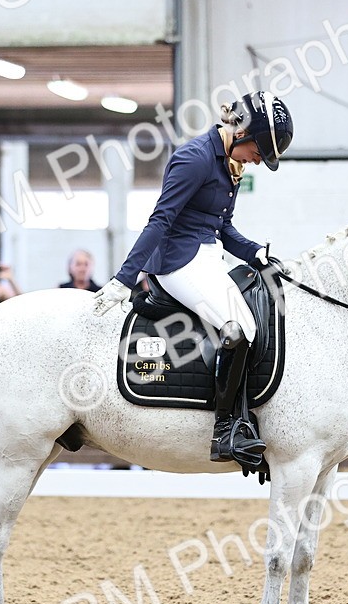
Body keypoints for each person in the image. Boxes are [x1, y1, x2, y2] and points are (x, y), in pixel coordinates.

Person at [92, 91, 294, 465]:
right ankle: (225, 429)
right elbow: (161, 221)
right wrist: (124, 277)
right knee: (239, 327)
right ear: (244, 133)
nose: (258, 162)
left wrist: (255, 253)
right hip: (176, 261)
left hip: (207, 255)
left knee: (257, 307)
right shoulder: (195, 158)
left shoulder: (231, 164)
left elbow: (223, 227)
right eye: (259, 153)